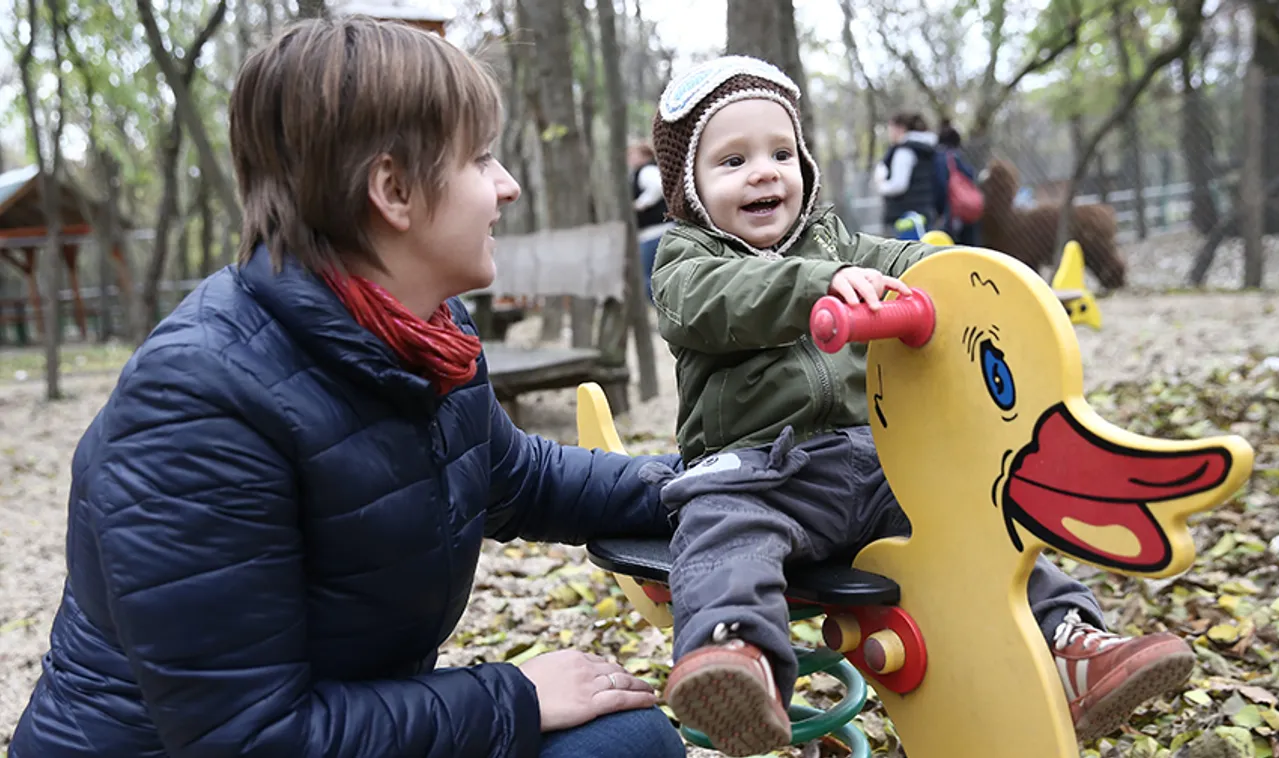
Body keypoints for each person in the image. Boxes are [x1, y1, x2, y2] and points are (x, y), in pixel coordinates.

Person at [8, 17, 686, 758]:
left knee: (624, 738)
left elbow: (521, 478)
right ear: (392, 189)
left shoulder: (421, 335)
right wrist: (515, 695)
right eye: (481, 159)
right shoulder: (197, 406)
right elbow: (246, 739)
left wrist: (715, 488)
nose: (508, 187)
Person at [642, 55, 1196, 757]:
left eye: (781, 152)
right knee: (721, 530)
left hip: (874, 465)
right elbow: (720, 303)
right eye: (731, 160)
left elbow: (914, 266)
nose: (763, 172)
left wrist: (985, 291)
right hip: (757, 471)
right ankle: (736, 660)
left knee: (980, 522)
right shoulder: (684, 260)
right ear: (688, 187)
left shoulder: (835, 238)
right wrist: (822, 285)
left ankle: (1072, 645)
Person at [873, 111, 940, 237]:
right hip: (924, 212)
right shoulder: (925, 150)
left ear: (900, 129)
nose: (889, 133)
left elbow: (899, 185)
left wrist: (881, 185)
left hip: (905, 216)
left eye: (890, 129)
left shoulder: (904, 151)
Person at [629, 140, 673, 301]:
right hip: (655, 232)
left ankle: (666, 311)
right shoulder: (645, 171)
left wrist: (640, 204)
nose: (630, 159)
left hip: (655, 233)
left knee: (646, 278)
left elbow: (657, 186)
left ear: (644, 156)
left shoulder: (646, 170)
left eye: (633, 155)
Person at [934, 119, 983, 246]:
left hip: (953, 212)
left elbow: (941, 186)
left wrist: (939, 210)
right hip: (969, 210)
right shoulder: (963, 157)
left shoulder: (941, 158)